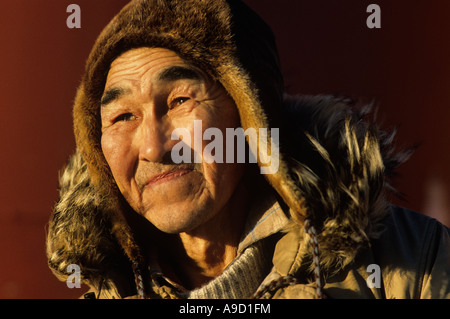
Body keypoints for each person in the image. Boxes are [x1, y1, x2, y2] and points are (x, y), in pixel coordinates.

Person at [46, 0, 450, 299]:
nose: (153, 146)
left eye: (180, 101)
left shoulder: (414, 264)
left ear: (251, 117)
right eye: (121, 117)